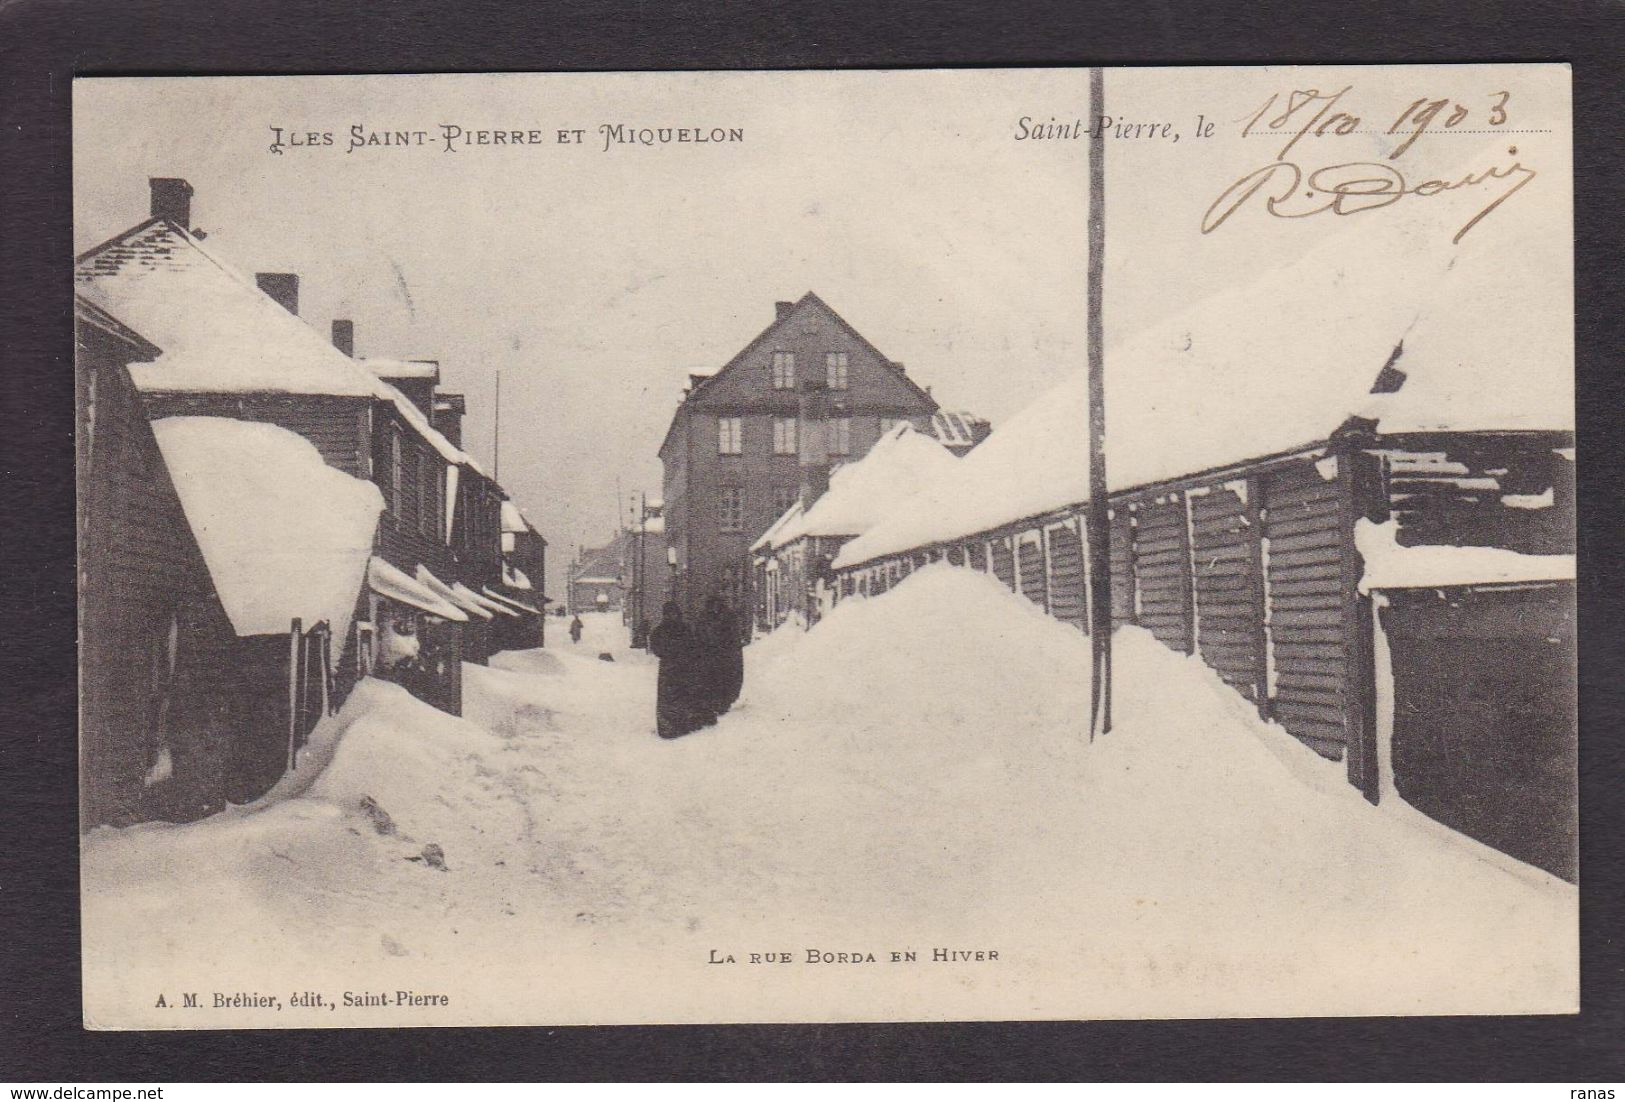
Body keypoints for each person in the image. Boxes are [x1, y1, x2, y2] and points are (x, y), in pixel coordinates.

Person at [648, 601, 709, 738]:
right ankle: (668, 728)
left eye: (673, 613)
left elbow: (694, 645)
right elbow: (656, 647)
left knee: (683, 696)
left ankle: (681, 725)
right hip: (669, 668)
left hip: (683, 668)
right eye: (669, 614)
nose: (671, 616)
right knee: (668, 699)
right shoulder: (661, 630)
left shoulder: (684, 629)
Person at [698, 594, 745, 719]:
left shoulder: (728, 617)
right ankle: (714, 702)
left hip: (724, 656)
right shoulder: (704, 617)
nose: (715, 608)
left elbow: (733, 637)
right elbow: (700, 634)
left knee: (724, 679)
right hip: (711, 656)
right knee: (712, 679)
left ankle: (723, 702)